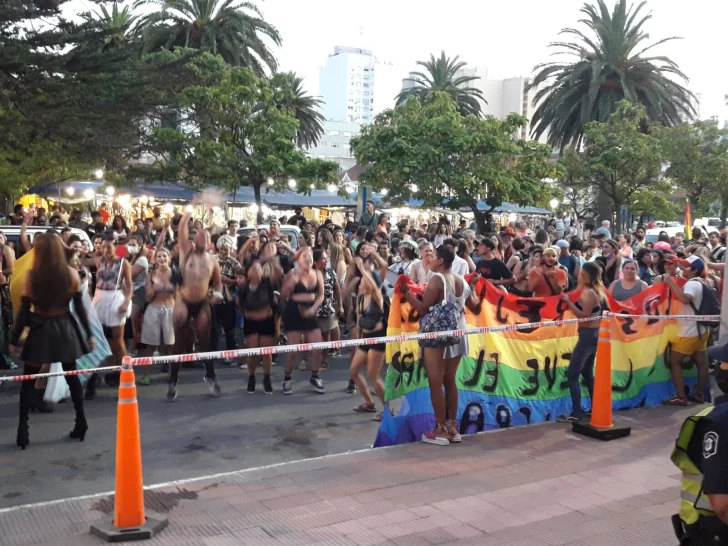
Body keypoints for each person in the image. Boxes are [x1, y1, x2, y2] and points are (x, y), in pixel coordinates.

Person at [10, 234, 94, 449]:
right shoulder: (71, 274)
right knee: (72, 376)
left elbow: (23, 313)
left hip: (41, 329)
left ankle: (23, 430)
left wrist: (13, 339)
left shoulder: (32, 277)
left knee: (28, 380)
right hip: (66, 328)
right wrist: (88, 333)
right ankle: (81, 422)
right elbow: (81, 310)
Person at [400, 245, 479, 445]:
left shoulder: (437, 279)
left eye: (433, 256)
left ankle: (440, 429)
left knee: (436, 381)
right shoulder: (462, 279)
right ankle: (453, 426)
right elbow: (475, 308)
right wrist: (476, 287)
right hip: (459, 331)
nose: (429, 259)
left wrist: (407, 294)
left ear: (441, 260)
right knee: (450, 380)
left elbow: (424, 309)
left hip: (439, 334)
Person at [670, 341, 728, 545]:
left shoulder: (719, 422)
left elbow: (722, 506)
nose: (720, 367)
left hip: (714, 532)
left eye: (725, 363)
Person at [173, 211, 224, 397]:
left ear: (210, 242)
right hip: (184, 300)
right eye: (201, 235)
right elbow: (181, 231)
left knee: (205, 340)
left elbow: (218, 281)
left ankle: (210, 376)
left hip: (202, 301)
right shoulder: (186, 251)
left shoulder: (213, 260)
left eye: (207, 236)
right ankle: (173, 379)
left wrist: (217, 293)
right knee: (179, 341)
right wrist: (189, 210)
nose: (203, 238)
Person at [556, 262, 605, 422]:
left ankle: (577, 412)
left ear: (585, 276)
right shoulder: (594, 291)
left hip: (587, 336)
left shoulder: (589, 293)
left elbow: (584, 316)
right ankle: (596, 406)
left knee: (573, 374)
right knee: (587, 373)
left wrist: (569, 303)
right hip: (592, 335)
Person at [662, 256, 711, 406]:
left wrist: (670, 282)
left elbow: (685, 299)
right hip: (702, 330)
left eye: (686, 266)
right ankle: (700, 395)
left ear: (695, 270)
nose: (682, 268)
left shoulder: (691, 284)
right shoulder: (703, 282)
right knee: (701, 363)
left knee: (674, 362)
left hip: (689, 332)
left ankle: (681, 397)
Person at [86, 235, 133, 390]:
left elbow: (129, 286)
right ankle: (94, 376)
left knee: (118, 341)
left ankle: (126, 373)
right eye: (103, 247)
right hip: (99, 298)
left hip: (115, 297)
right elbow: (78, 260)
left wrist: (126, 301)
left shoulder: (123, 263)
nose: (106, 250)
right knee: (95, 339)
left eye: (109, 247)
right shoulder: (98, 260)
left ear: (115, 247)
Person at [281, 247, 325, 395]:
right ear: (298, 259)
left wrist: (314, 308)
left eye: (310, 257)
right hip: (293, 312)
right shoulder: (292, 274)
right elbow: (283, 295)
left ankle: (315, 376)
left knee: (317, 347)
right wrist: (290, 284)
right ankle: (287, 378)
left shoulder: (318, 274)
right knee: (293, 351)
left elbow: (320, 295)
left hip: (310, 312)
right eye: (304, 257)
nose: (308, 259)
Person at [350, 254, 388, 421]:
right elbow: (359, 322)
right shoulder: (359, 299)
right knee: (353, 371)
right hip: (365, 340)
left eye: (364, 280)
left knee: (373, 376)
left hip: (378, 340)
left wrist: (362, 269)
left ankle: (388, 409)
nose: (361, 283)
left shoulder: (377, 297)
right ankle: (369, 403)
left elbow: (373, 286)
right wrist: (358, 340)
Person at [139, 247, 176, 397]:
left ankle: (171, 373)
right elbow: (147, 298)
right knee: (150, 344)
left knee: (170, 344)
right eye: (159, 256)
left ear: (169, 258)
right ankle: (146, 374)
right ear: (155, 259)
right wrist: (155, 286)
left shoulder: (175, 274)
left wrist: (171, 287)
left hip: (170, 308)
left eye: (164, 256)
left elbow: (179, 294)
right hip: (153, 309)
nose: (162, 259)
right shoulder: (151, 275)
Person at [238, 261, 278, 395]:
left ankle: (267, 378)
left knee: (266, 353)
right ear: (249, 273)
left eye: (258, 269)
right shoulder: (244, 288)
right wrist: (248, 314)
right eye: (253, 270)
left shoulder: (267, 285)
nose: (256, 272)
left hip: (266, 322)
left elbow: (274, 302)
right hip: (251, 323)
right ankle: (252, 377)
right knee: (252, 353)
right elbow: (240, 305)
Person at [313, 248, 343, 371]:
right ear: (316, 261)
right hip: (314, 311)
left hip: (328, 309)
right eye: (323, 259)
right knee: (315, 338)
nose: (326, 261)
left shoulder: (330, 272)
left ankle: (324, 361)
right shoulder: (311, 274)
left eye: (327, 258)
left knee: (326, 338)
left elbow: (337, 289)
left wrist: (340, 305)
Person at [215, 235, 240, 365]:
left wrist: (229, 281)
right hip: (212, 298)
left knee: (229, 328)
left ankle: (229, 353)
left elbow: (241, 280)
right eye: (222, 249)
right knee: (212, 329)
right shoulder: (212, 260)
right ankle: (211, 354)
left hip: (228, 298)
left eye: (227, 249)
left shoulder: (234, 263)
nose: (224, 252)